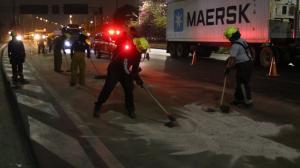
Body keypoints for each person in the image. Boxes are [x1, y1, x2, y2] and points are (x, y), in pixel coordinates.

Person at [93, 30, 144, 119]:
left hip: (124, 71)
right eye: (142, 49)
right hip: (114, 70)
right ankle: (98, 106)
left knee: (129, 89)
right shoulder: (128, 51)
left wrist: (138, 79)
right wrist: (133, 76)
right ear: (137, 46)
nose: (143, 51)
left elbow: (135, 68)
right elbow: (125, 67)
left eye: (144, 49)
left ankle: (130, 109)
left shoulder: (138, 54)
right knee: (108, 88)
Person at [224, 26, 253, 107]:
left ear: (232, 37)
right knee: (240, 82)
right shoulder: (242, 40)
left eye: (228, 38)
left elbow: (232, 60)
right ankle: (238, 99)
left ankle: (248, 102)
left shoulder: (235, 46)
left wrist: (228, 68)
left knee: (243, 83)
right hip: (248, 63)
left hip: (244, 65)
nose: (228, 39)